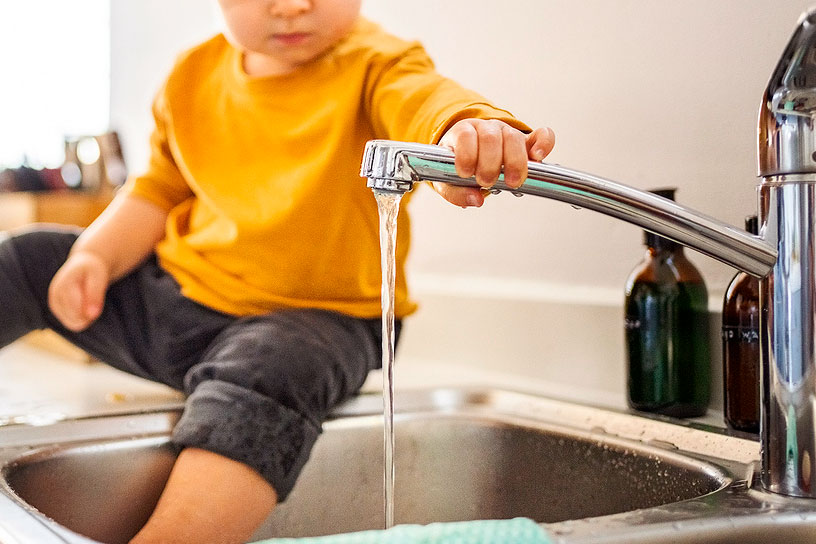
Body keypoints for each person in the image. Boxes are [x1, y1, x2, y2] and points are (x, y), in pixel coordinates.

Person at [0, 1, 555, 543]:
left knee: (271, 365)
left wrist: (467, 134)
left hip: (317, 325)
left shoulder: (378, 63)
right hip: (182, 303)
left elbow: (428, 103)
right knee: (28, 260)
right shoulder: (191, 76)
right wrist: (95, 256)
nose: (291, 7)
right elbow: (157, 191)